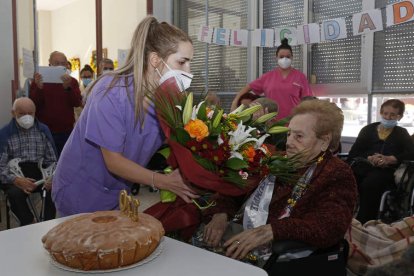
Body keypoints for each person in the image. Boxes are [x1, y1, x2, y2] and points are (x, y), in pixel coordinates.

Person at [52, 16, 198, 217]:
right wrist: (163, 181)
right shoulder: (111, 92)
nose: (188, 71)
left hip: (116, 192)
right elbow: (113, 161)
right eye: (182, 62)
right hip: (80, 189)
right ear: (155, 60)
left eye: (190, 63)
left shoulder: (166, 102)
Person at [200, 99, 357, 264]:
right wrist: (220, 214)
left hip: (278, 257)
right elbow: (235, 188)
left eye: (299, 137)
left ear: (324, 141)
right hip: (237, 238)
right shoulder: (273, 158)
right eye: (289, 134)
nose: (289, 142)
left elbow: (329, 226)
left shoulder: (336, 173)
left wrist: (273, 230)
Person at [348, 99, 414, 224]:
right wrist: (369, 157)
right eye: (385, 113)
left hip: (385, 171)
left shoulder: (402, 133)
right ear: (380, 113)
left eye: (393, 115)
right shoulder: (367, 130)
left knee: (371, 183)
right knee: (346, 179)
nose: (388, 117)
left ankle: (364, 222)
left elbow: (411, 153)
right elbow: (354, 152)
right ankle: (342, 216)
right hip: (363, 166)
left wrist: (392, 159)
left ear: (399, 117)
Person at [0, 98, 57, 225]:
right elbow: (1, 166)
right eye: (21, 113)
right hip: (14, 175)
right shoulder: (5, 134)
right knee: (15, 194)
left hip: (39, 172)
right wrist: (16, 180)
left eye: (30, 113)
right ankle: (29, 223)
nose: (27, 117)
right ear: (13, 113)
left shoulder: (43, 131)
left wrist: (51, 178)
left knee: (54, 189)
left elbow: (52, 160)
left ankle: (48, 225)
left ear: (35, 113)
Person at [231, 38, 312, 120]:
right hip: (271, 123)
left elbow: (308, 100)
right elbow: (248, 87)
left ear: (292, 57)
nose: (285, 59)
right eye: (281, 56)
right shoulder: (267, 77)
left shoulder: (300, 77)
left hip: (293, 121)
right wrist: (235, 102)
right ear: (276, 57)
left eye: (288, 56)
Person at [29, 51, 82, 156]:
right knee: (46, 163)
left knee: (65, 161)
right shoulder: (40, 80)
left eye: (63, 63)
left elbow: (76, 103)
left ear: (67, 65)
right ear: (50, 64)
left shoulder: (72, 82)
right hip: (44, 131)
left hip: (66, 131)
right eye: (56, 63)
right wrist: (39, 88)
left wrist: (68, 88)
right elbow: (33, 105)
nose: (60, 66)